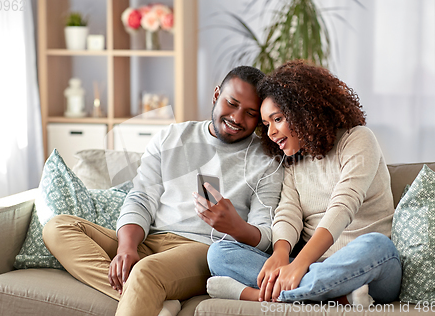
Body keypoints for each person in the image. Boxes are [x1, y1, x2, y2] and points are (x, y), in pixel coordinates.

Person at [42, 66, 283, 316]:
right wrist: (126, 248)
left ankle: (147, 290)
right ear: (216, 95)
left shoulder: (267, 161)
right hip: (150, 239)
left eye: (250, 113)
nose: (236, 117)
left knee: (145, 272)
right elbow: (141, 197)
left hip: (202, 250)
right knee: (58, 227)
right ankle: (151, 297)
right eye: (231, 103)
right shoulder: (172, 136)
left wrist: (235, 226)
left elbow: (267, 236)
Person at [206, 60, 402, 307]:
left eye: (277, 119)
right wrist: (281, 254)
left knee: (377, 245)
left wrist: (298, 265)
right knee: (219, 253)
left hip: (367, 265)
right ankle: (337, 296)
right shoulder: (292, 160)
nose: (270, 133)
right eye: (266, 124)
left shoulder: (358, 139)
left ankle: (253, 294)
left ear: (303, 111)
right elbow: (288, 213)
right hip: (317, 268)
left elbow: (342, 208)